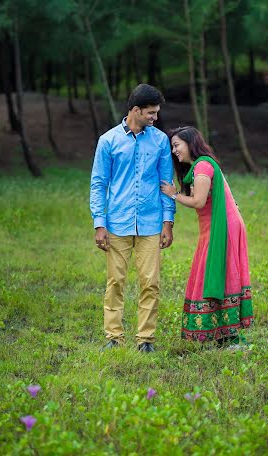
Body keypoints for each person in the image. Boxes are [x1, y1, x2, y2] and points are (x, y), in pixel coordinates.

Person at [90, 84, 176, 353]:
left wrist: (168, 222)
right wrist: (99, 223)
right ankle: (113, 337)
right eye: (151, 112)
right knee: (115, 281)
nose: (155, 117)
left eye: (157, 112)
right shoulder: (108, 141)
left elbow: (166, 182)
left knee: (150, 282)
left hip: (151, 223)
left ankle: (145, 340)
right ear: (135, 110)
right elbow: (98, 184)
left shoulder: (160, 140)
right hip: (117, 222)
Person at [161, 126, 254, 348]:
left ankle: (231, 337)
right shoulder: (202, 165)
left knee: (222, 275)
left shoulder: (202, 165)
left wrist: (173, 194)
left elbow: (199, 202)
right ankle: (224, 335)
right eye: (172, 147)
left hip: (222, 226)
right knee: (218, 274)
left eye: (177, 145)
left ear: (190, 142)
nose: (174, 151)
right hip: (217, 226)